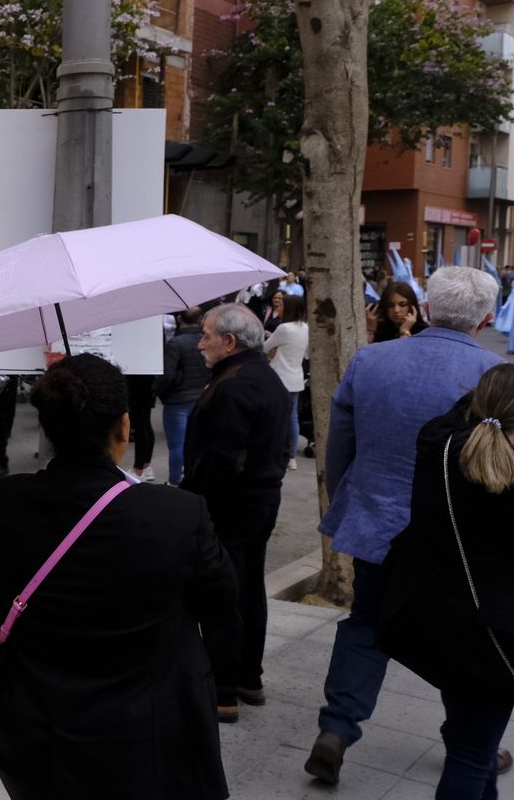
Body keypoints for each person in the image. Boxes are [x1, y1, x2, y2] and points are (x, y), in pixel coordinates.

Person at [0, 353, 238, 799]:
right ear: (124, 427)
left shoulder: (1, 500)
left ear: (49, 428)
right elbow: (221, 606)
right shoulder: (177, 514)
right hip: (146, 731)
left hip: (36, 726)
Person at [305, 265, 509, 785]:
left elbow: (340, 441)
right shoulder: (495, 374)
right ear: (487, 318)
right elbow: (510, 466)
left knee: (367, 622)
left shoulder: (371, 359)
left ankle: (337, 729)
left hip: (377, 520)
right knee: (459, 635)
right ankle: (468, 743)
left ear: (429, 308)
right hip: (455, 535)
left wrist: (348, 497)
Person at [379, 363, 514, 799]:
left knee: (472, 743)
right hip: (490, 636)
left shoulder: (437, 443)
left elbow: (457, 416)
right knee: (470, 754)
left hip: (433, 618)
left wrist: (504, 387)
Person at [181, 303, 291, 724]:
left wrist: (196, 505)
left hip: (232, 505)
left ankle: (223, 690)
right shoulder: (259, 375)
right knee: (247, 587)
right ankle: (248, 678)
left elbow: (223, 459)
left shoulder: (236, 384)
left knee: (224, 593)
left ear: (229, 342)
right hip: (257, 500)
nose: (200, 343)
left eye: (206, 335)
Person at [155, 307, 211, 487]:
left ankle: (175, 480)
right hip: (199, 395)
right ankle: (191, 477)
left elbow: (167, 375)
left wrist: (160, 391)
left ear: (179, 319)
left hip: (177, 399)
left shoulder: (176, 343)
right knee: (195, 442)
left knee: (177, 444)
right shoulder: (205, 341)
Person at [264, 297, 310, 469]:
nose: (279, 307)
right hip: (296, 376)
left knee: (274, 414)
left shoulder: (284, 328)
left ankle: (273, 450)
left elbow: (265, 347)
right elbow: (307, 354)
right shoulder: (306, 328)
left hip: (279, 376)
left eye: (283, 304)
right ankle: (291, 456)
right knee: (292, 417)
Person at [125, 374, 156, 482]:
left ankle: (138, 470)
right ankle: (146, 466)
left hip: (136, 388)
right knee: (146, 425)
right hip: (147, 386)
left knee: (140, 428)